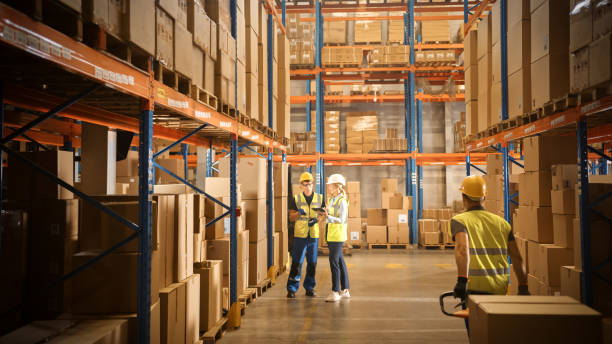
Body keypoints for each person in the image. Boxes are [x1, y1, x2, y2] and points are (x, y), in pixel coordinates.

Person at [450, 175, 529, 331]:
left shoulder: (460, 221)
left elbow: (462, 249)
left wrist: (461, 280)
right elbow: (517, 258)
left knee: (478, 334)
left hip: (474, 289)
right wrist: (523, 286)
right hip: (500, 289)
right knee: (496, 333)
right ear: (484, 198)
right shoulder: (502, 223)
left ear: (463, 197)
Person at [286, 172, 326, 298]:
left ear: (312, 184)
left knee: (312, 263)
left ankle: (309, 288)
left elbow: (323, 214)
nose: (308, 186)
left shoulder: (319, 198)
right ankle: (292, 289)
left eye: (309, 183)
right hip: (300, 236)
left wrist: (317, 220)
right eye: (305, 184)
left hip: (313, 235)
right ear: (301, 186)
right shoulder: (296, 199)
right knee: (297, 262)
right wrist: (298, 214)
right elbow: (291, 217)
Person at [320, 174, 351, 302]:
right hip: (332, 234)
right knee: (339, 261)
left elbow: (342, 220)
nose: (328, 188)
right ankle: (345, 290)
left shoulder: (342, 201)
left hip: (337, 235)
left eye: (330, 186)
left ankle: (335, 292)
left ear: (337, 186)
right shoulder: (332, 200)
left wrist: (328, 217)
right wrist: (324, 213)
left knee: (334, 262)